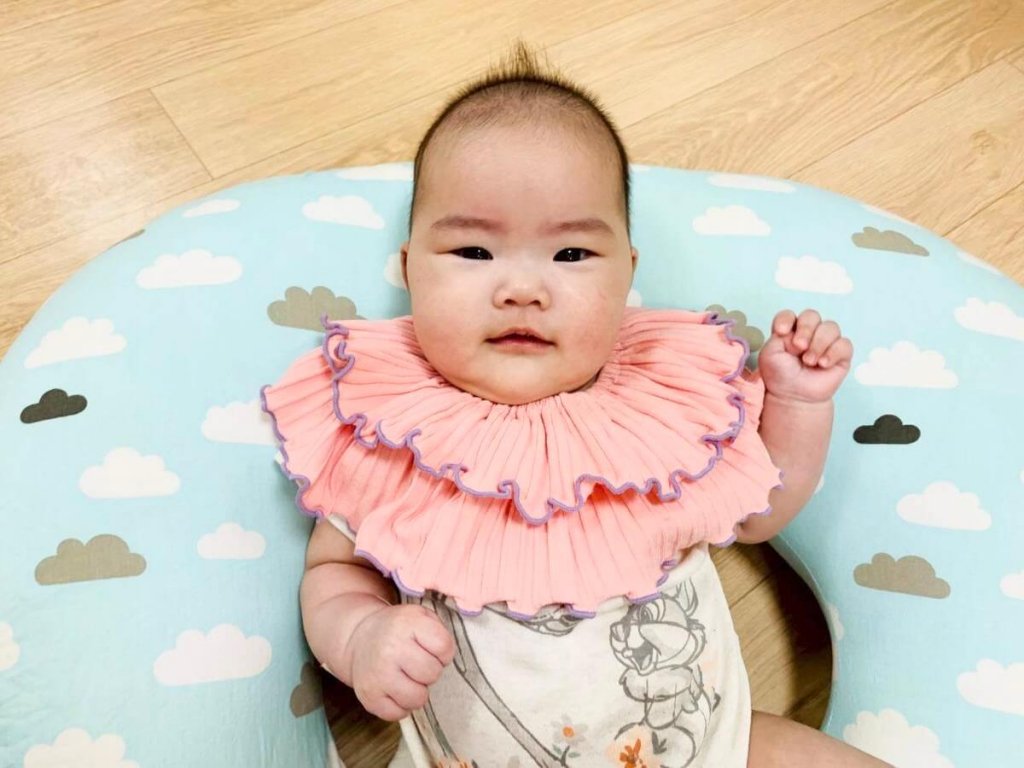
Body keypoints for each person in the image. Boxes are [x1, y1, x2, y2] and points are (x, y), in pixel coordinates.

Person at [263, 44, 889, 768]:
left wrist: (800, 403)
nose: (523, 290)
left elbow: (759, 512)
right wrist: (361, 636)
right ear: (409, 271)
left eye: (571, 256)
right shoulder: (391, 428)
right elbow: (333, 572)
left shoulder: (664, 412)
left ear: (627, 276)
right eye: (473, 252)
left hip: (712, 746)